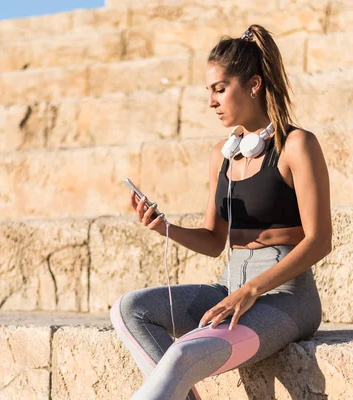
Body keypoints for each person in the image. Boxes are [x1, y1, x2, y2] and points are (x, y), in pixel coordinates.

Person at [109, 25, 332, 400]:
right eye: (208, 92)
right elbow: (215, 241)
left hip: (286, 297)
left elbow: (320, 240)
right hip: (230, 285)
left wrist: (251, 290)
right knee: (129, 310)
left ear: (254, 84)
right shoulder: (223, 154)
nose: (211, 102)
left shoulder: (296, 145)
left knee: (183, 353)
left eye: (219, 89)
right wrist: (166, 228)